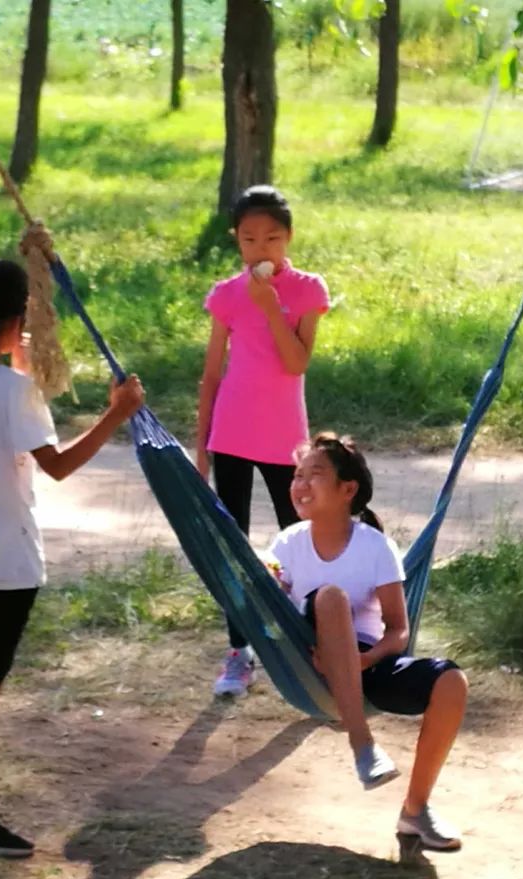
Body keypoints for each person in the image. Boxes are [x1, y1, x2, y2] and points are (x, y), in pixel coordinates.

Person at [0, 260, 144, 858]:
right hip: (1, 565)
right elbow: (58, 466)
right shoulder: (15, 391)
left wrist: (15, 356)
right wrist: (116, 415)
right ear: (16, 321)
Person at [267, 433, 469, 850]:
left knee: (451, 682)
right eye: (297, 475)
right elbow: (270, 615)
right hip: (309, 662)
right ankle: (363, 745)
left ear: (347, 489)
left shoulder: (376, 548)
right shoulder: (287, 545)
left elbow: (398, 629)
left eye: (314, 475)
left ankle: (416, 812)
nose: (300, 485)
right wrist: (264, 590)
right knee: (331, 597)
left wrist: (364, 661)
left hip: (364, 665)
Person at [197, 185, 330, 697]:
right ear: (237, 242)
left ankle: (309, 643)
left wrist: (271, 307)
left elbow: (296, 363)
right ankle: (239, 651)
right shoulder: (226, 294)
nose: (261, 249)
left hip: (285, 442)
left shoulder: (307, 290)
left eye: (272, 238)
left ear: (289, 238)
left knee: (299, 543)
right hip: (230, 432)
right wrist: (201, 447)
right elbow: (211, 376)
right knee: (233, 546)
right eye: (249, 239)